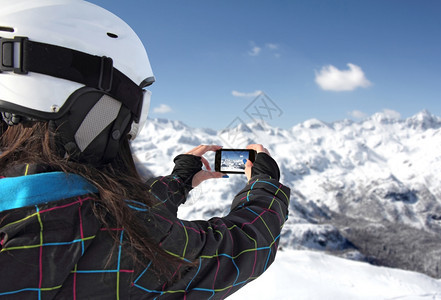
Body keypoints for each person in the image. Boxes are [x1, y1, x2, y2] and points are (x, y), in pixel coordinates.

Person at [0, 0, 290, 299]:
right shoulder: (124, 244)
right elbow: (244, 247)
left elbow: (110, 213)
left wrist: (179, 181)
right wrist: (264, 184)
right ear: (101, 106)